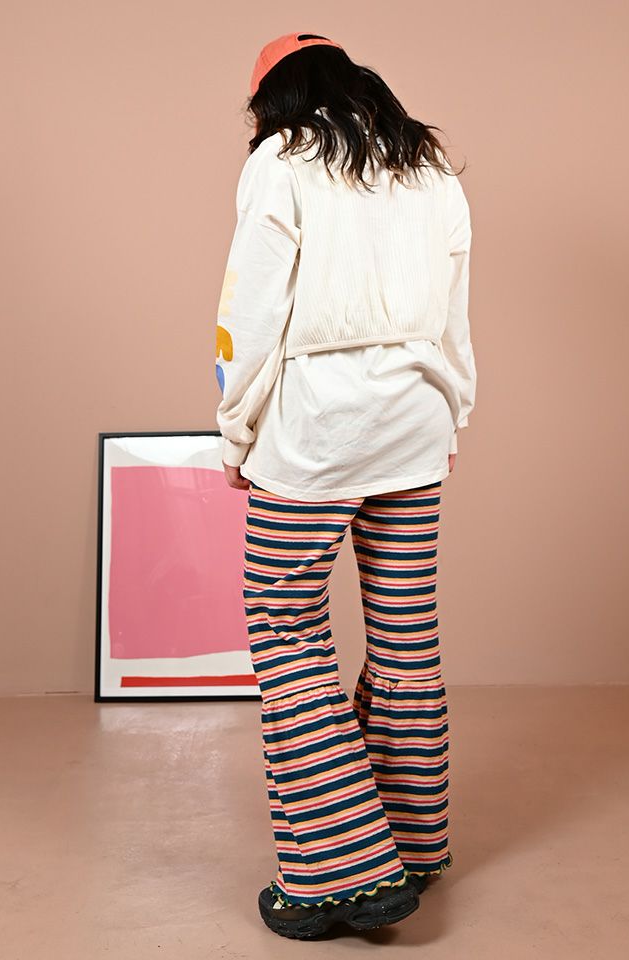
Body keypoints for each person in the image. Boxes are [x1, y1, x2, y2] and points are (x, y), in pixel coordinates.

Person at [214, 31, 477, 940]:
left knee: (285, 625)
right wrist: (454, 413)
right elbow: (455, 312)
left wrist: (236, 429)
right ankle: (414, 841)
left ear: (273, 99)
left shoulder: (281, 163)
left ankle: (346, 875)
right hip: (415, 418)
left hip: (320, 429)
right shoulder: (429, 167)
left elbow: (251, 314)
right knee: (406, 633)